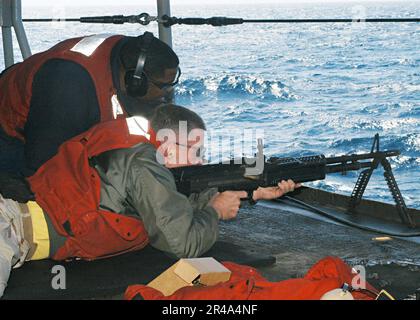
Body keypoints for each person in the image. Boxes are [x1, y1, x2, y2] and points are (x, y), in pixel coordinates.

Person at [0, 104, 300, 298]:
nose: (201, 160)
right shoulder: (144, 164)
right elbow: (182, 242)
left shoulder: (137, 142)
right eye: (194, 151)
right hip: (9, 224)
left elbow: (173, 197)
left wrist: (255, 192)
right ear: (167, 147)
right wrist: (214, 212)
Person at [0, 31, 180, 202]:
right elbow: (44, 167)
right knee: (34, 193)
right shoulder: (67, 86)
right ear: (136, 81)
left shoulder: (130, 55)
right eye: (164, 86)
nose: (169, 92)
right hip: (11, 129)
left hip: (59, 109)